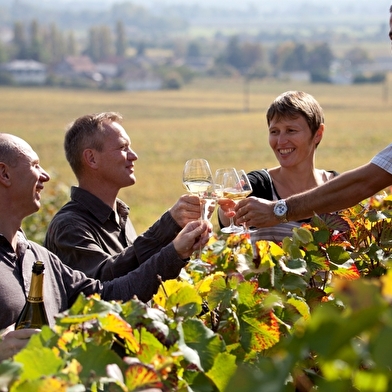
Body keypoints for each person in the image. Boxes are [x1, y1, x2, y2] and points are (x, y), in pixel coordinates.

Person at [0, 133, 209, 360]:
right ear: (4, 173)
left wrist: (175, 252)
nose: (45, 176)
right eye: (35, 165)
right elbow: (108, 275)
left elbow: (108, 295)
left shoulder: (40, 258)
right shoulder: (68, 226)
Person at [44, 112, 201, 280]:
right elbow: (105, 285)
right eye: (122, 148)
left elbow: (139, 274)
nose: (134, 156)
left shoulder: (119, 215)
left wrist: (179, 246)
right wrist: (168, 224)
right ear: (91, 158)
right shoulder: (69, 227)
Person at [218, 90, 338, 243]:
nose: (281, 141)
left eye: (291, 131)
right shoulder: (258, 185)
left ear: (318, 134)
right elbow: (229, 220)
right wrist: (228, 211)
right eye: (274, 131)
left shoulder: (336, 187)